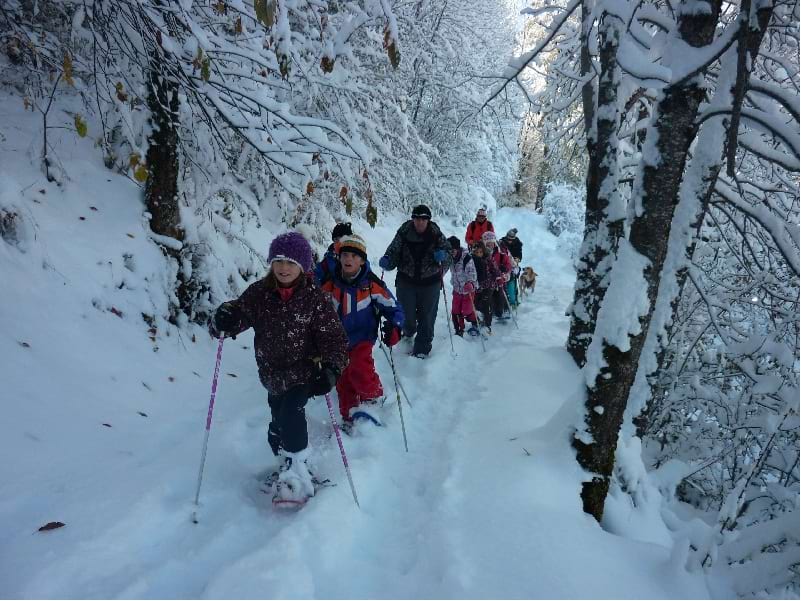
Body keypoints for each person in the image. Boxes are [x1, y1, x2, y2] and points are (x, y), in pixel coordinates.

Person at [209, 231, 349, 505]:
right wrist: (222, 319)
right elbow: (235, 318)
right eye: (279, 261)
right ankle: (285, 457)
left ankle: (298, 471)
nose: (284, 268)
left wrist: (332, 368)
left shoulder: (314, 299)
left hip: (304, 371)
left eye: (291, 263)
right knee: (278, 422)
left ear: (303, 266)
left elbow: (334, 338)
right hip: (272, 374)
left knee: (291, 411)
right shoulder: (259, 294)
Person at [320, 234, 404, 427]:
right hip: (337, 341)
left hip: (362, 337)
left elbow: (393, 307)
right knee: (342, 380)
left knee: (360, 368)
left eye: (355, 256)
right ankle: (349, 414)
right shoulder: (331, 284)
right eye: (345, 255)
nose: (349, 259)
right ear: (339, 258)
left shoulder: (371, 284)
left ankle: (372, 400)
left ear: (362, 260)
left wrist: (395, 326)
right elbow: (318, 309)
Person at [378, 204, 452, 358]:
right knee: (406, 315)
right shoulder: (404, 232)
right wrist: (387, 260)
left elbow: (449, 253)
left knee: (427, 317)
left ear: (428, 220)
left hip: (430, 283)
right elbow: (393, 252)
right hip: (406, 281)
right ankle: (408, 331)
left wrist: (443, 256)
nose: (420, 222)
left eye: (423, 219)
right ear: (412, 219)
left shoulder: (436, 234)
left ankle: (422, 349)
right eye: (417, 218)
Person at [447, 235, 479, 337]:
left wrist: (470, 283)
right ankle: (459, 330)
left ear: (457, 248)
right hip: (457, 289)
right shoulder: (449, 258)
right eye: (449, 251)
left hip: (468, 289)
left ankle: (475, 322)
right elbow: (443, 269)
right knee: (455, 311)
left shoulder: (466, 258)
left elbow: (472, 273)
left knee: (467, 310)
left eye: (453, 250)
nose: (451, 253)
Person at [470, 240, 502, 335]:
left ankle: (487, 324)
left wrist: (498, 277)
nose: (479, 254)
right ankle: (477, 322)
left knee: (486, 303)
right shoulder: (471, 260)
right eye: (476, 252)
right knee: (475, 303)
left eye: (480, 252)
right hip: (477, 286)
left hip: (489, 284)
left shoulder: (488, 258)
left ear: (483, 251)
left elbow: (495, 269)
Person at [482, 231, 512, 319]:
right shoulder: (481, 252)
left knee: (501, 294)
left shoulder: (500, 252)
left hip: (500, 278)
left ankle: (504, 310)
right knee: (488, 296)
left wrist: (505, 270)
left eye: (491, 242)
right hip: (488, 279)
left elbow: (508, 264)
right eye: (487, 243)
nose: (490, 245)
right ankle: (491, 312)